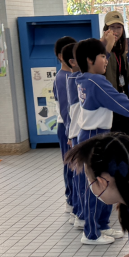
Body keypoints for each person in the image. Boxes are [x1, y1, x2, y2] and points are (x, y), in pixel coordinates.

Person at [74, 38, 129, 245]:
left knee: (105, 180)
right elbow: (121, 102)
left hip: (95, 135)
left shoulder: (83, 79)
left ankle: (102, 225)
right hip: (94, 137)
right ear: (90, 59)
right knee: (96, 185)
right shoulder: (96, 82)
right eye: (103, 56)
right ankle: (91, 233)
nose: (106, 60)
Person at [53, 36, 79, 219]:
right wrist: (71, 133)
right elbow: (65, 108)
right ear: (61, 56)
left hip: (72, 126)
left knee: (74, 164)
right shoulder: (62, 78)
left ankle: (74, 199)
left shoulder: (73, 75)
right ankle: (71, 200)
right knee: (70, 165)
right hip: (66, 127)